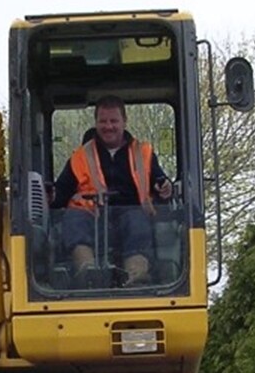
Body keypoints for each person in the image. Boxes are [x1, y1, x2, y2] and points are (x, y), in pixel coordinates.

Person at [51, 95, 173, 286]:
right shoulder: (80, 156)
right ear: (96, 123)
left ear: (124, 121)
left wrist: (165, 188)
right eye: (103, 121)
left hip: (131, 215)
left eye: (113, 121)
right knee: (74, 218)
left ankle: (135, 274)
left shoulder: (144, 153)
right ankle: (87, 272)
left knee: (136, 221)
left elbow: (161, 184)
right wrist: (50, 195)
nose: (108, 126)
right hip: (92, 218)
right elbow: (60, 195)